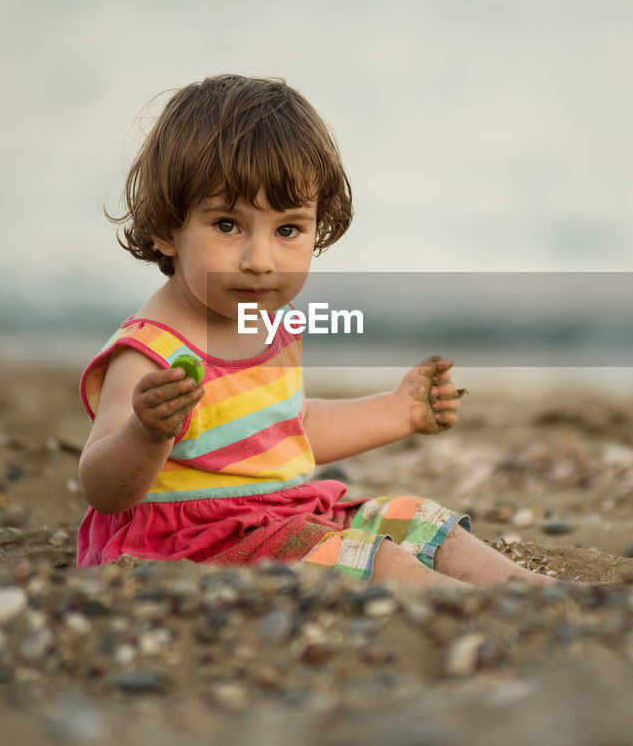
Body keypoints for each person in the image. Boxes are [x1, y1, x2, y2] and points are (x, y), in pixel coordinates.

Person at [76, 74, 555, 587]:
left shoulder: (269, 321)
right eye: (227, 225)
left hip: (284, 515)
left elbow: (289, 431)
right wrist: (147, 433)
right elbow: (102, 488)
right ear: (167, 227)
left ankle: (535, 593)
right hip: (196, 538)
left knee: (417, 519)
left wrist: (398, 411)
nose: (260, 260)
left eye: (287, 230)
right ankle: (474, 607)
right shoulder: (152, 352)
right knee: (381, 561)